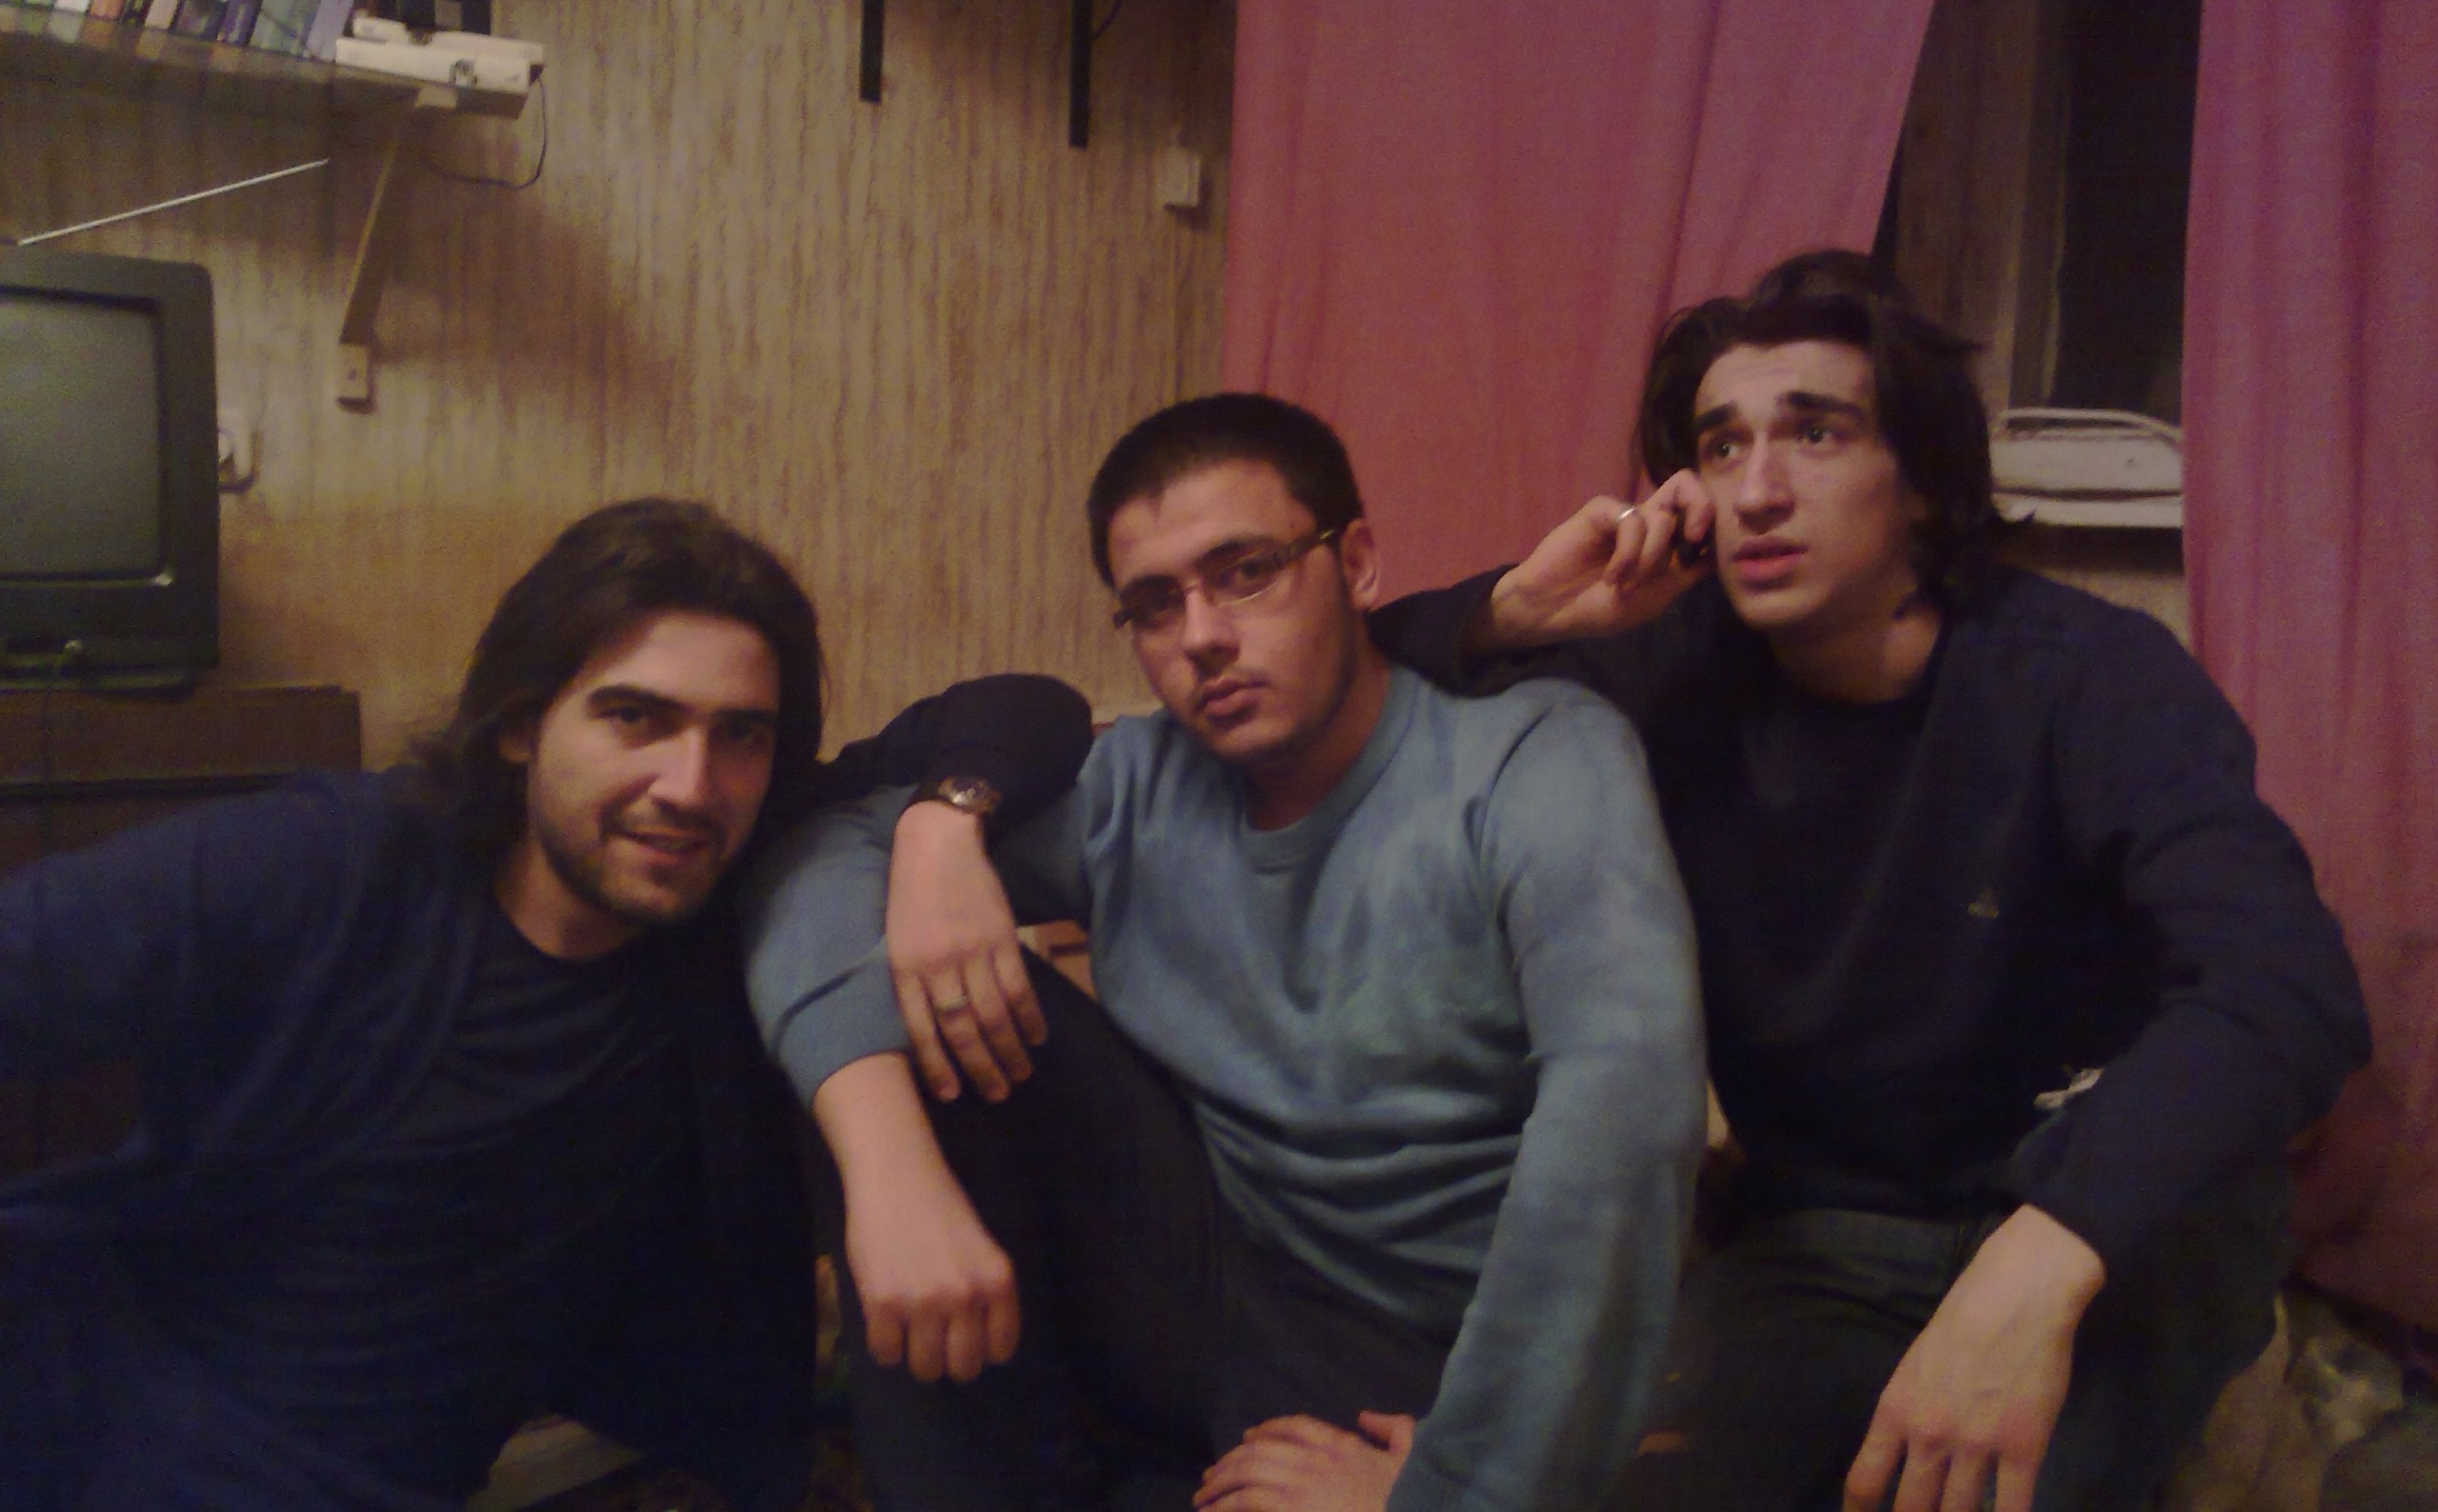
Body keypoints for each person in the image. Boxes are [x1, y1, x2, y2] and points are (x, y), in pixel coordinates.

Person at [1369, 250, 2373, 1512]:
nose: (1758, 491)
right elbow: (1343, 696)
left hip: (2111, 1222)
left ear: (1923, 481)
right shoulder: (1662, 672)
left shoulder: (2086, 675)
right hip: (1829, 1235)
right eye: (1721, 446)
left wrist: (2038, 1265)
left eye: (1817, 433)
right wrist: (1518, 610)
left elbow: (2288, 985)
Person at [0, 498, 1092, 1512]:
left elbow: (1027, 708)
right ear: (522, 722)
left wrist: (944, 828)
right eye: (634, 717)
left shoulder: (723, 889)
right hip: (84, 1408)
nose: (688, 784)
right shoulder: (334, 865)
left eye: (740, 734)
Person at [743, 394, 1708, 1512]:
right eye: (1155, 604)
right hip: (1220, 1280)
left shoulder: (1534, 761)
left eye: (1246, 572)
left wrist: (1460, 1487)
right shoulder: (1138, 783)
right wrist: (935, 832)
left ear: (1356, 564)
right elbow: (808, 852)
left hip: (1434, 1353)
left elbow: (1623, 1122)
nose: (1201, 634)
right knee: (911, 1013)